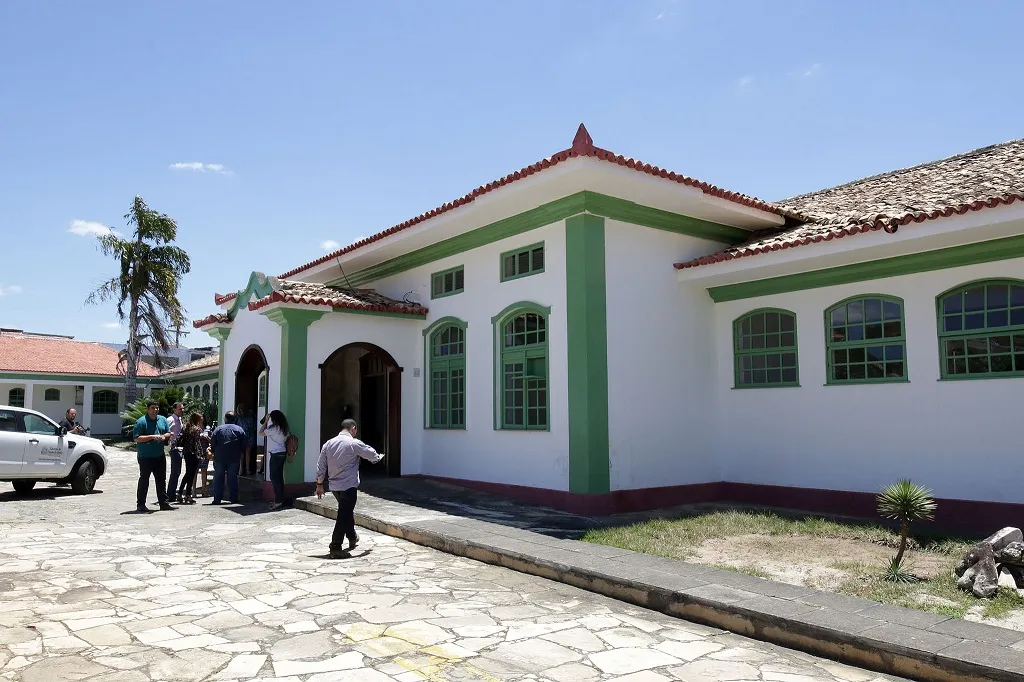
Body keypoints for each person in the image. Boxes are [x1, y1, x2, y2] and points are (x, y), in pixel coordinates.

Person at [315, 419, 383, 558]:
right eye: (355, 430)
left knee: (346, 511)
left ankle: (352, 536)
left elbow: (321, 466)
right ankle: (335, 545)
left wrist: (319, 484)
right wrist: (378, 457)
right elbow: (370, 453)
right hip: (349, 485)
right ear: (353, 428)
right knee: (343, 514)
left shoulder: (328, 444)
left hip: (334, 487)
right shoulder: (353, 443)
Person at [133, 401, 175, 513]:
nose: (155, 410)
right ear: (148, 409)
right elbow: (137, 438)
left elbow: (168, 433)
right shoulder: (141, 422)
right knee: (144, 480)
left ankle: (164, 503)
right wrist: (152, 437)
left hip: (159, 456)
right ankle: (141, 504)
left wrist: (163, 437)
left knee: (161, 480)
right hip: (145, 457)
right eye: (153, 408)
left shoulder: (162, 419)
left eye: (157, 408)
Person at [209, 410, 249, 505]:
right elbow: (244, 445)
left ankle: (217, 499)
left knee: (218, 478)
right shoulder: (239, 429)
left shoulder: (218, 429)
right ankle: (233, 498)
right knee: (233, 478)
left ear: (225, 419)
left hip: (220, 457)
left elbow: (213, 443)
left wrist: (214, 452)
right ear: (234, 419)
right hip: (234, 457)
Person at [259, 410, 290, 510]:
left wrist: (265, 421)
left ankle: (278, 501)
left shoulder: (274, 428)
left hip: (276, 454)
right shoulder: (284, 428)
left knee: (274, 477)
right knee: (279, 477)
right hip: (282, 452)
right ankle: (280, 499)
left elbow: (261, 433)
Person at [175, 412, 207, 504]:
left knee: (188, 473)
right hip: (193, 453)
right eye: (200, 418)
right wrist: (201, 454)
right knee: (191, 474)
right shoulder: (196, 429)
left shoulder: (186, 427)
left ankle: (182, 493)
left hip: (186, 452)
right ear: (197, 419)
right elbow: (197, 443)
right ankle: (186, 494)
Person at [165, 402, 185, 501]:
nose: (182, 410)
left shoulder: (180, 420)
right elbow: (164, 432)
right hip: (173, 448)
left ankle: (171, 493)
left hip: (179, 448)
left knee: (177, 472)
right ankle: (170, 494)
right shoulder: (170, 420)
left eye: (183, 409)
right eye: (180, 409)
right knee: (175, 471)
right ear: (174, 409)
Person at [236, 403, 256, 476]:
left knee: (245, 453)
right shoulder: (250, 415)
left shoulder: (240, 416)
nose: (241, 411)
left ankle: (244, 469)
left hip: (245, 436)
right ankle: (243, 469)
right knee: (244, 453)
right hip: (245, 435)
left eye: (242, 409)